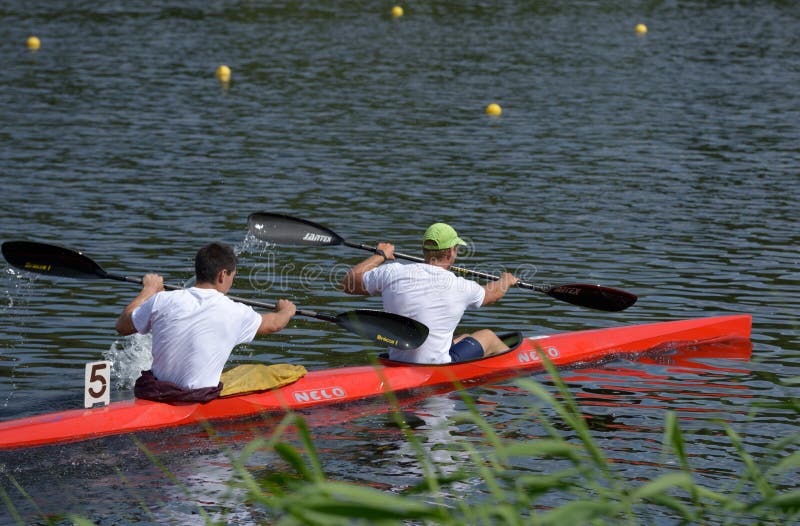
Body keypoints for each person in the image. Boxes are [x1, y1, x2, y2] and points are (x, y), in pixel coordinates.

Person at [115, 242, 296, 403]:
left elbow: (122, 326)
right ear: (223, 275)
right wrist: (287, 310)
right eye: (233, 276)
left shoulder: (161, 300)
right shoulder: (235, 311)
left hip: (154, 394)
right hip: (197, 399)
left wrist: (149, 290)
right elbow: (274, 324)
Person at [340, 223, 519, 364]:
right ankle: (516, 374)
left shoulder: (392, 272)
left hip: (397, 362)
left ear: (425, 250)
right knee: (487, 336)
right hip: (436, 368)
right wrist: (506, 281)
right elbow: (492, 295)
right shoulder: (461, 286)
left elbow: (347, 283)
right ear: (450, 252)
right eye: (456, 248)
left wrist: (380, 255)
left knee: (463, 338)